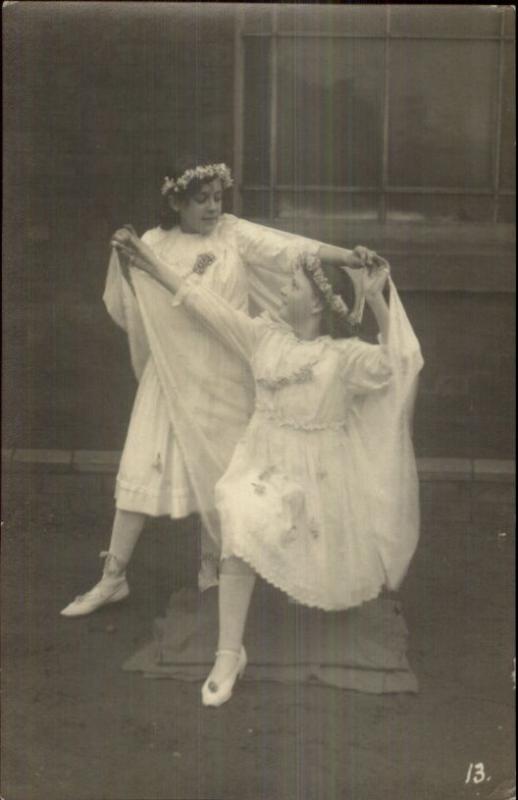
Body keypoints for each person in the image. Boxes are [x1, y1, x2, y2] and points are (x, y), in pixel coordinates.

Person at [60, 155, 388, 618]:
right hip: (172, 373)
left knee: (222, 471)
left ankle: (212, 566)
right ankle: (112, 577)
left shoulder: (232, 232)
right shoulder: (152, 243)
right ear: (175, 201)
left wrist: (345, 257)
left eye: (218, 197)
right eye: (202, 200)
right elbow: (130, 307)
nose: (213, 207)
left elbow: (287, 249)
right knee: (141, 469)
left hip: (226, 370)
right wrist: (124, 257)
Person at [109, 227, 423, 707]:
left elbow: (401, 364)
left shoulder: (344, 358)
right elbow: (203, 304)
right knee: (238, 514)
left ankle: (294, 606)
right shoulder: (263, 338)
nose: (280, 289)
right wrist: (150, 263)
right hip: (262, 463)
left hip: (322, 478)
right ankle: (229, 653)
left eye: (292, 285)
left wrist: (377, 300)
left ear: (317, 304)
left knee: (319, 566)